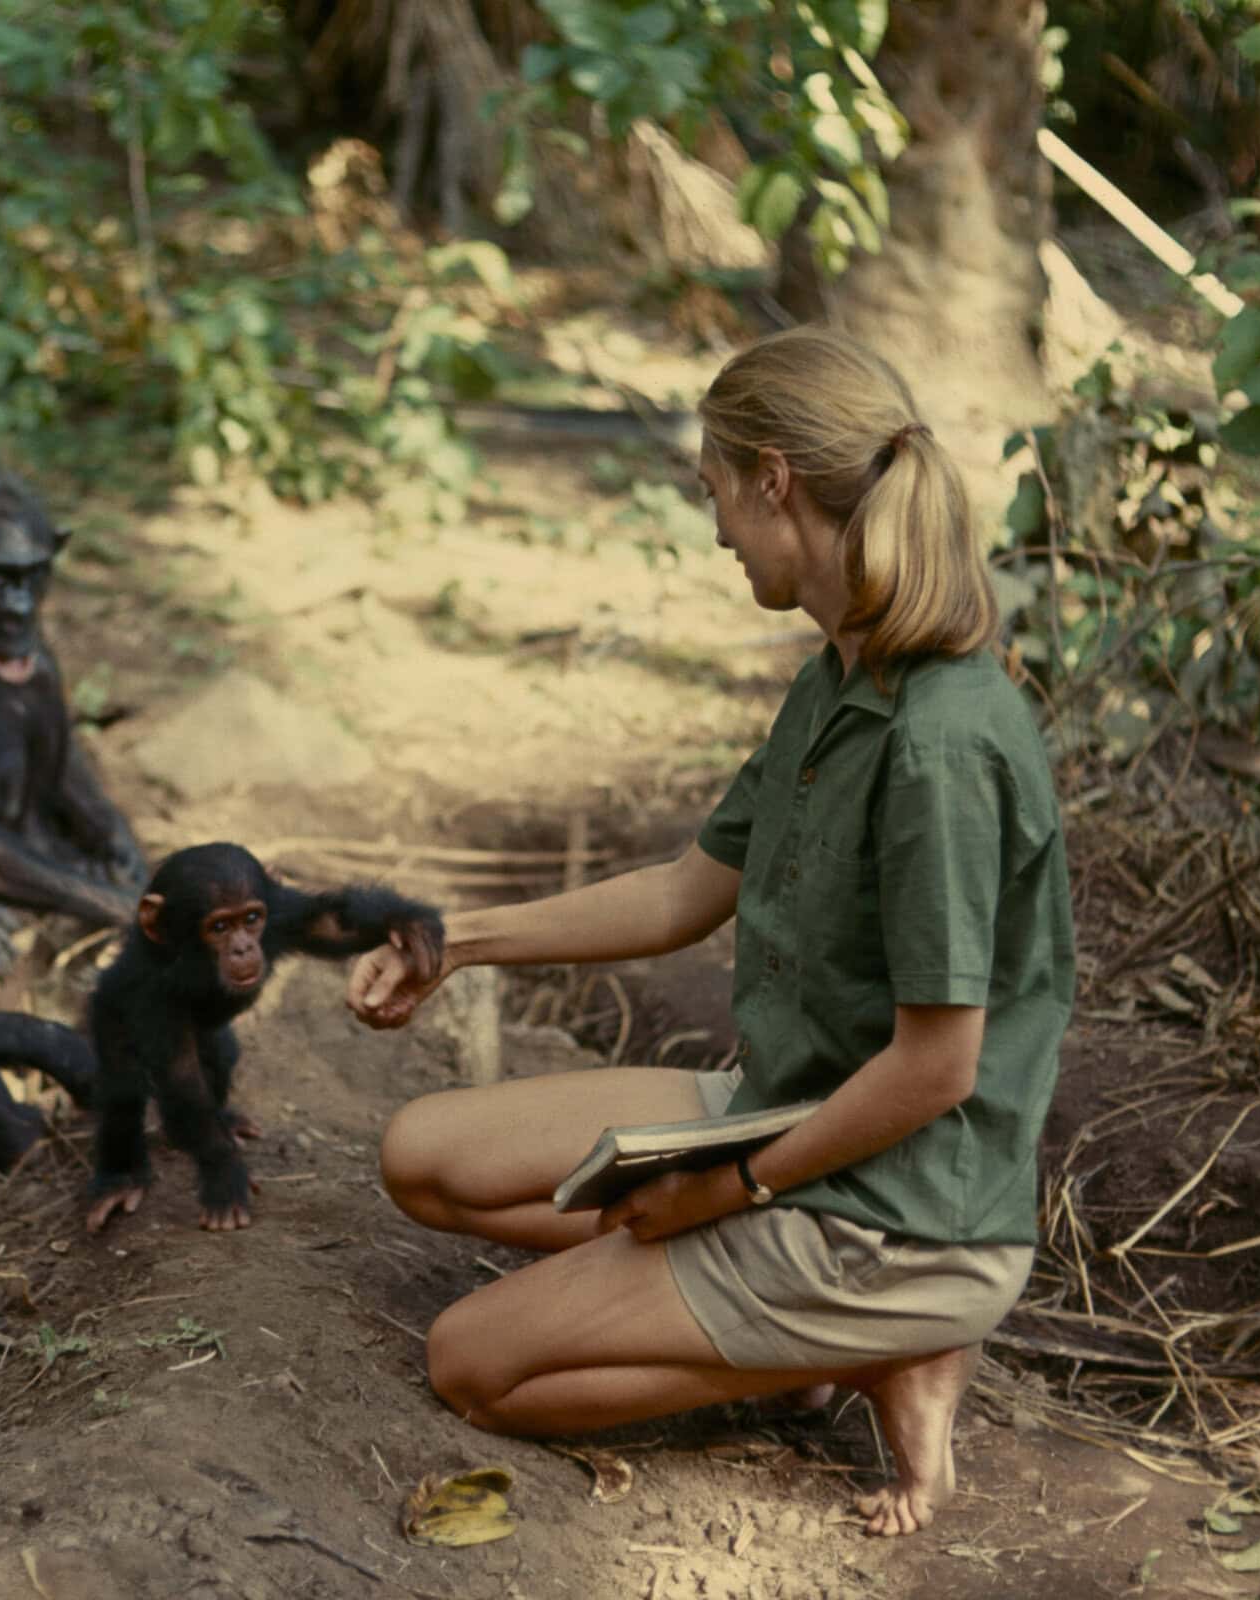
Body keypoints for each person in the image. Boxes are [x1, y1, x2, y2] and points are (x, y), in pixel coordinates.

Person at [344, 325, 1074, 1537]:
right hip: (787, 1110)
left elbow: (938, 1065)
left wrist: (726, 1189)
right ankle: (802, 1327)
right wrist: (454, 942)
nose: (716, 527)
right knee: (423, 1153)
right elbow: (687, 890)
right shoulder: (841, 676)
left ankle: (876, 1337)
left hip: (897, 1211)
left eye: (714, 492)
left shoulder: (941, 743)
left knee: (469, 1363)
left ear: (773, 479)